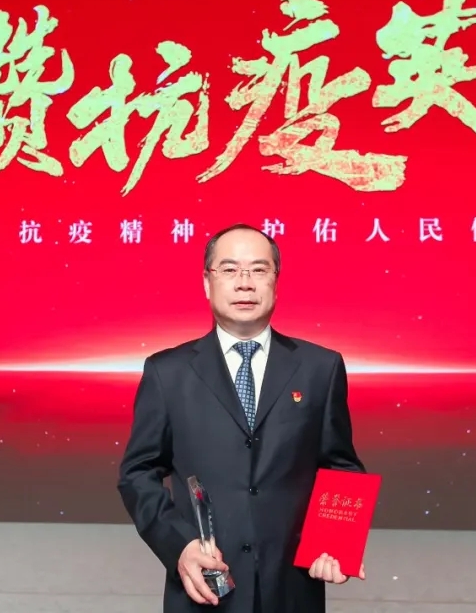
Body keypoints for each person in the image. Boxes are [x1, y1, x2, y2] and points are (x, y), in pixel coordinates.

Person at [117, 223, 366, 612]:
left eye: (258, 270)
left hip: (291, 588)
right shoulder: (168, 372)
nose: (245, 283)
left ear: (275, 282)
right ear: (207, 282)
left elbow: (341, 467)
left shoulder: (320, 368)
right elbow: (137, 473)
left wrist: (335, 541)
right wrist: (178, 545)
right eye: (230, 269)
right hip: (205, 586)